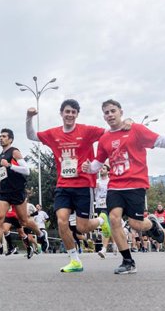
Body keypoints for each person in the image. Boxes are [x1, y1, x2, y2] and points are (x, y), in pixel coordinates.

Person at [82, 99, 165, 274]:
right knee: (114, 219)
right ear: (104, 116)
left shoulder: (136, 129)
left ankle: (152, 225)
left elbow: (159, 141)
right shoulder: (104, 139)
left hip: (135, 183)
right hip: (115, 185)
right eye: (106, 112)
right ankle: (127, 261)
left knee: (135, 224)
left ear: (120, 112)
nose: (110, 115)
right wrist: (89, 168)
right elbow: (98, 163)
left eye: (113, 111)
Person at [25, 101, 111, 273]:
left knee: (82, 227)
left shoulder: (87, 130)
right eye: (67, 112)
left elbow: (110, 133)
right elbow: (31, 136)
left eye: (73, 112)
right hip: (63, 184)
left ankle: (102, 219)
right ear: (61, 113)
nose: (70, 115)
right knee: (61, 221)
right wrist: (29, 117)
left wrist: (126, 124)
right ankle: (75, 260)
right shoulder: (54, 134)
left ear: (77, 114)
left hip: (84, 184)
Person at [0, 129, 48, 266]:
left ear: (10, 139)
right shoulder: (0, 156)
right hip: (4, 191)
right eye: (0, 136)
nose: (1, 138)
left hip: (17, 191)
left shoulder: (14, 151)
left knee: (24, 221)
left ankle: (40, 234)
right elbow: (5, 174)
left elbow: (26, 170)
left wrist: (9, 165)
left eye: (4, 136)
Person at [95, 164, 111, 258]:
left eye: (104, 168)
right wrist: (95, 187)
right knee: (106, 227)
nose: (101, 170)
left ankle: (104, 249)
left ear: (108, 171)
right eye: (100, 168)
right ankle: (114, 243)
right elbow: (93, 194)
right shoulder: (96, 181)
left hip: (108, 206)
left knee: (106, 226)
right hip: (99, 205)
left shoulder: (110, 181)